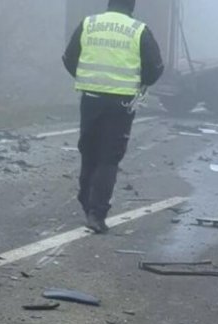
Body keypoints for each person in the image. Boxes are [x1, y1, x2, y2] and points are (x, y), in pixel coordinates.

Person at [62, 0, 164, 233]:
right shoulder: (139, 30)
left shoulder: (89, 24)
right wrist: (141, 81)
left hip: (90, 99)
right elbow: (156, 68)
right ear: (132, 6)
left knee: (89, 151)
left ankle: (86, 199)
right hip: (121, 103)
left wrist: (89, 78)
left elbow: (69, 58)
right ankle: (97, 214)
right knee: (109, 157)